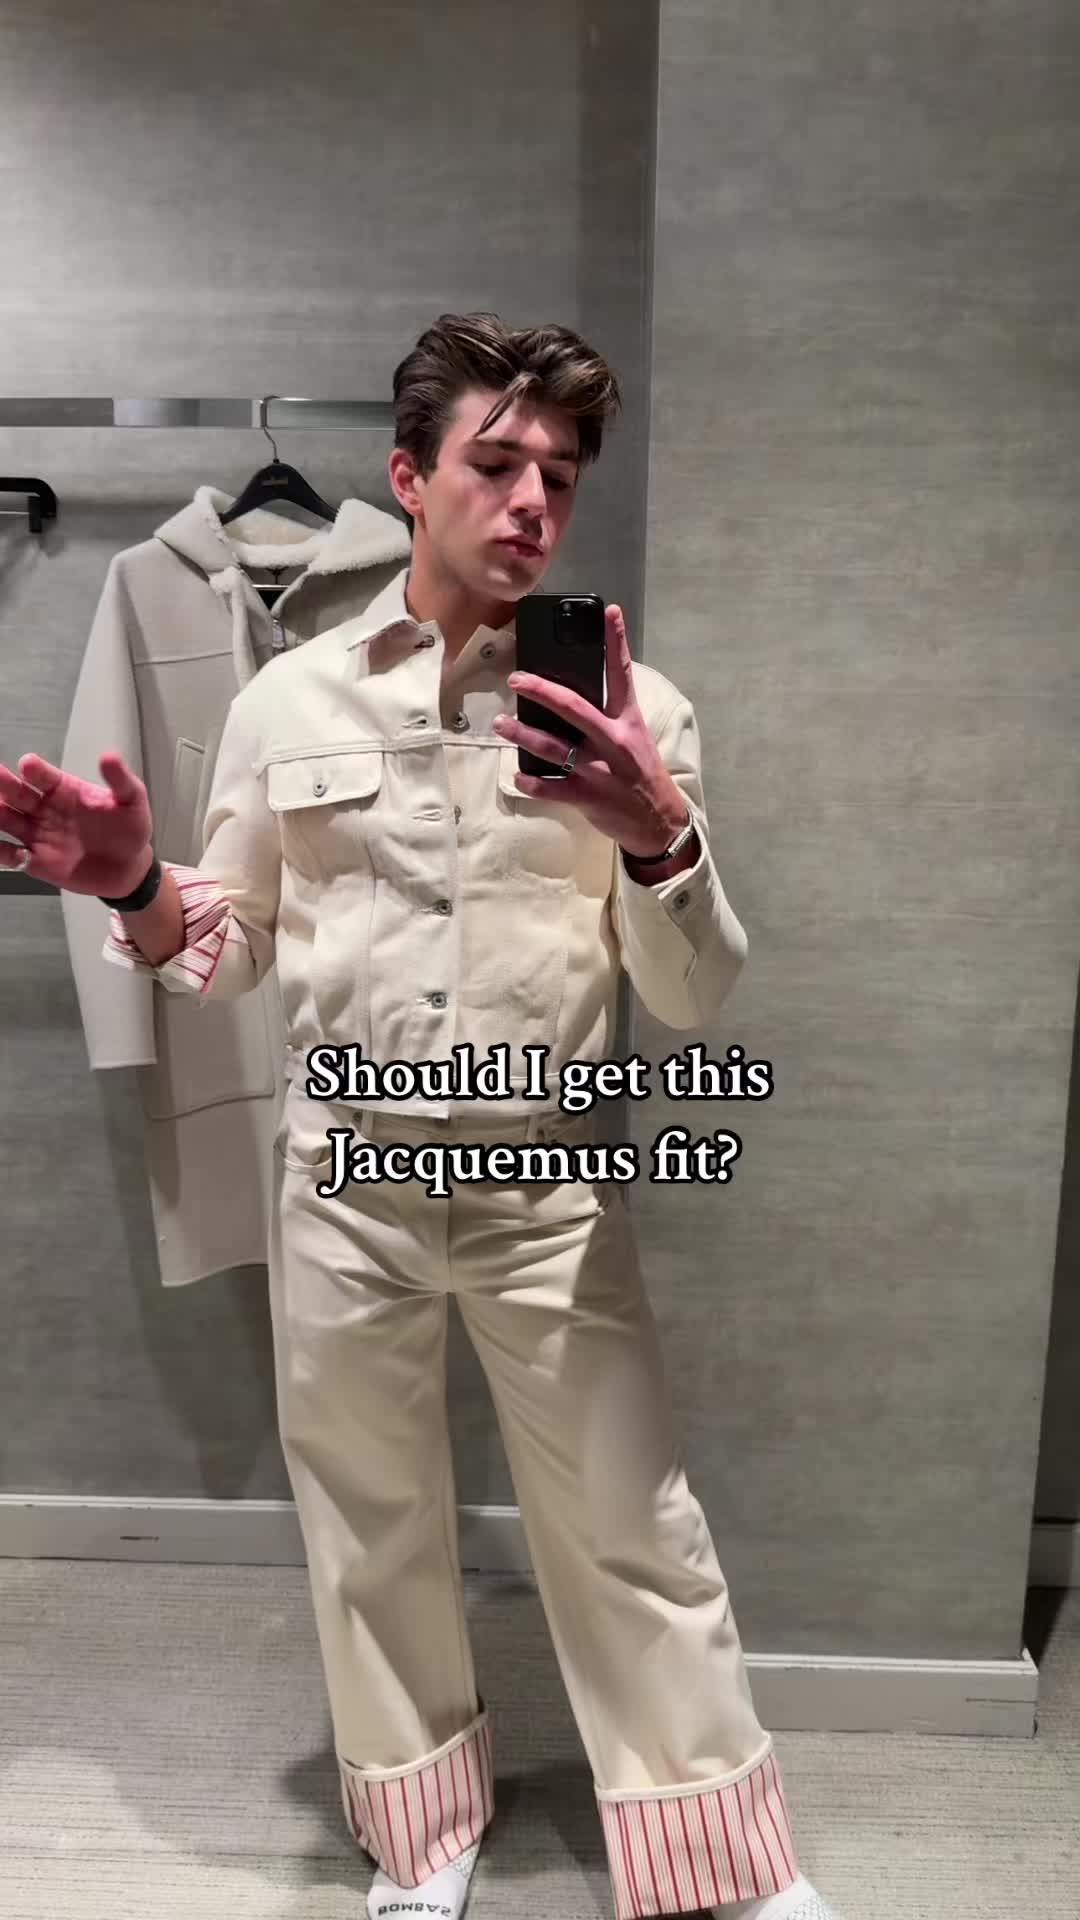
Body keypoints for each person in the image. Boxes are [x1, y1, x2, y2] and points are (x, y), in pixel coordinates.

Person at [0, 313, 842, 1920]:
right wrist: (135, 883)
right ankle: (421, 1829)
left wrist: (656, 836)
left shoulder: (636, 714)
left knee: (631, 1521)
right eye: (496, 462)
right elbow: (237, 944)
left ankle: (719, 1856)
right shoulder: (291, 705)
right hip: (349, 1191)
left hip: (547, 1196)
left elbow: (692, 993)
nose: (532, 501)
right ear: (409, 478)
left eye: (560, 475)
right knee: (371, 1523)